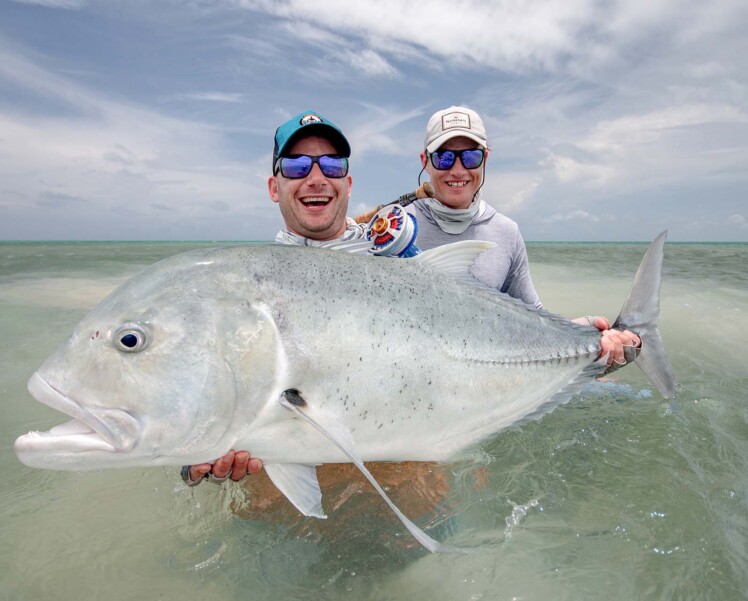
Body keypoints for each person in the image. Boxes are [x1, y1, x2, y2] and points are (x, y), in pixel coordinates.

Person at [184, 108, 639, 486]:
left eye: (332, 167)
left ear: (349, 182)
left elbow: (478, 332)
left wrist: (583, 343)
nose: (316, 178)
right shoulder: (248, 287)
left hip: (406, 451)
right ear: (273, 186)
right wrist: (196, 456)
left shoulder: (391, 250)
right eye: (299, 167)